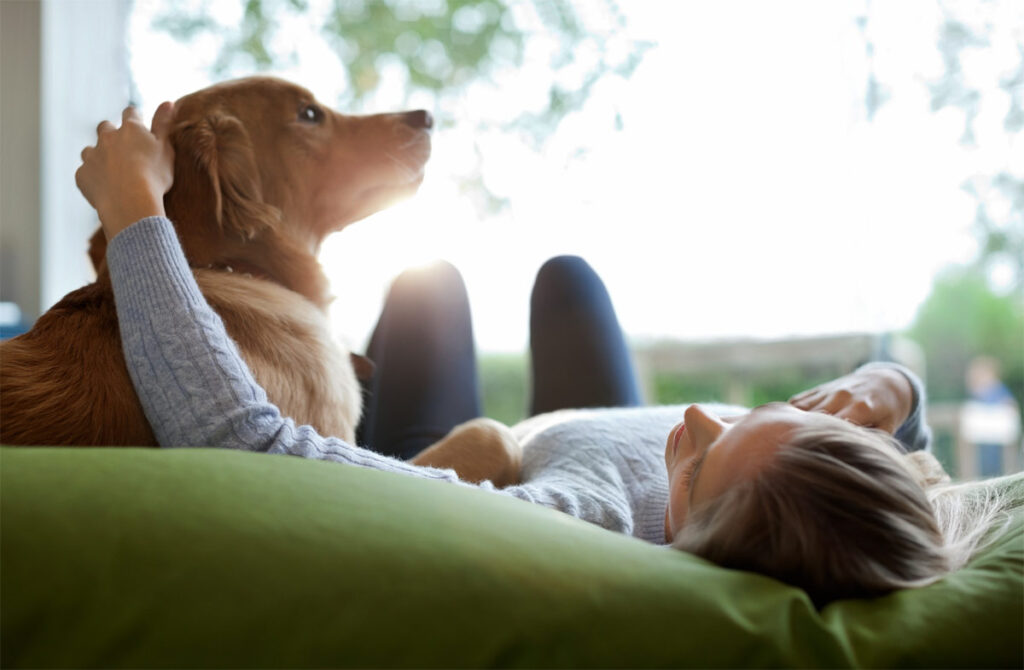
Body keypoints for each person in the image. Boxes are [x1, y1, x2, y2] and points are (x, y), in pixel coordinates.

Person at [76, 103, 1006, 607]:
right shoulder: (837, 493)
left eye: (704, 455)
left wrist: (136, 213)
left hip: (494, 457)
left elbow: (245, 444)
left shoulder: (577, 523)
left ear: (683, 541)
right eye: (756, 417)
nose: (693, 416)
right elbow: (905, 446)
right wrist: (886, 386)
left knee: (429, 285)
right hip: (586, 424)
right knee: (568, 277)